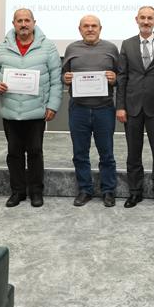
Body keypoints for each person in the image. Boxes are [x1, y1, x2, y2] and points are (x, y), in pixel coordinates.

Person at [0, 8, 62, 208]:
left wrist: (53, 105)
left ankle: (36, 192)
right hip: (10, 111)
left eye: (27, 20)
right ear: (13, 24)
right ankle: (17, 192)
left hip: (36, 111)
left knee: (35, 152)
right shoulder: (3, 46)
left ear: (34, 22)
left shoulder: (48, 47)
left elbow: (56, 79)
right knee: (14, 153)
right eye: (19, 21)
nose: (23, 24)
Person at [116, 6, 154, 209]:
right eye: (143, 18)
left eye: (150, 18)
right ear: (137, 20)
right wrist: (120, 106)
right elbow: (122, 77)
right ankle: (135, 192)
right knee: (133, 152)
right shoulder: (127, 44)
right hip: (131, 107)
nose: (146, 21)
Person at [62, 15, 119, 207]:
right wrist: (65, 78)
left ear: (100, 28)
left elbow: (121, 76)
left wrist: (114, 79)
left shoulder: (111, 49)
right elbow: (64, 75)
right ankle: (85, 190)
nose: (90, 29)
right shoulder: (71, 49)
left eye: (94, 26)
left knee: (107, 153)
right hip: (78, 109)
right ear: (80, 29)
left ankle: (108, 190)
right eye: (86, 26)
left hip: (104, 109)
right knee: (80, 153)